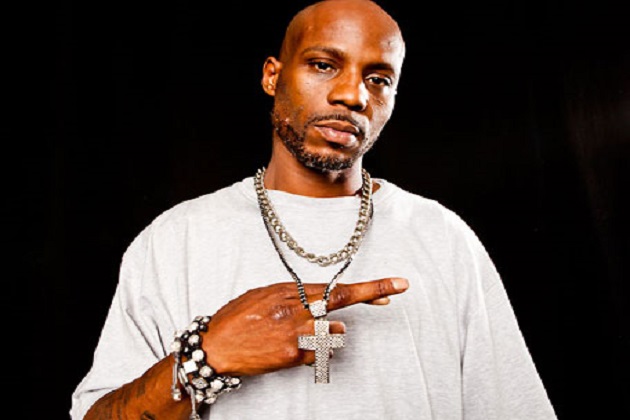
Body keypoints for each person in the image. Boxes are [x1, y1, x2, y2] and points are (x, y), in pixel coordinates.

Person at [70, 0, 558, 419]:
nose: (352, 95)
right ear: (272, 76)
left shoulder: (442, 236)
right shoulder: (177, 240)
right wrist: (207, 355)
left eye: (378, 78)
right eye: (324, 65)